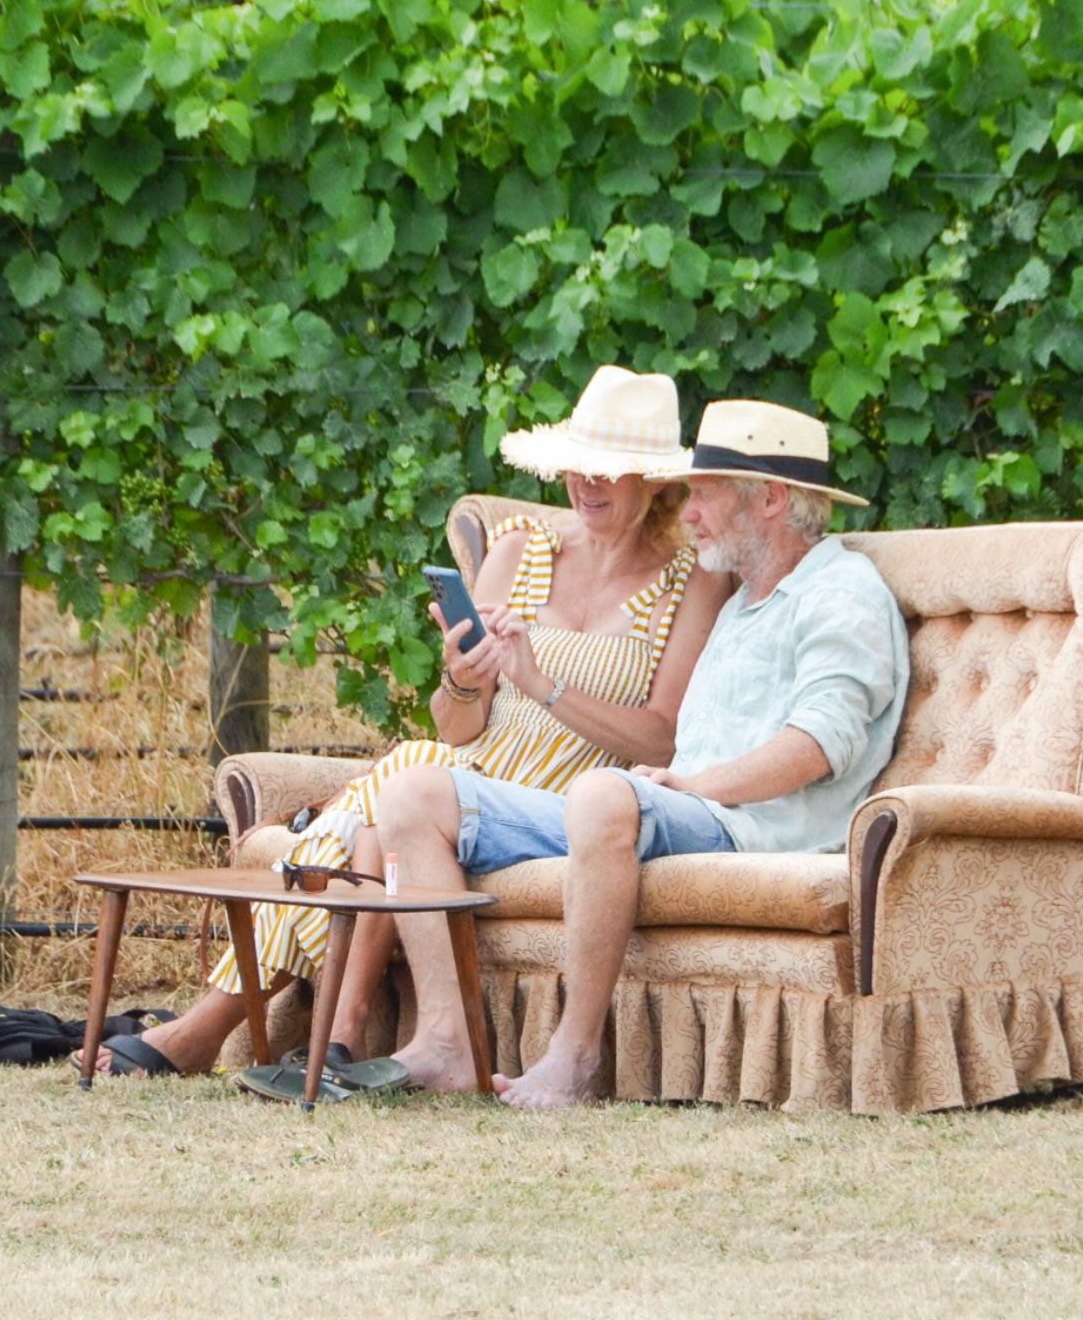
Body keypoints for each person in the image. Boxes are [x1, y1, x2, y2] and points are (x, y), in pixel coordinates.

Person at [83, 365, 730, 1087]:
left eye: (609, 469)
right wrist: (465, 674)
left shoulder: (690, 581)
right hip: (468, 766)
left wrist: (539, 684)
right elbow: (455, 726)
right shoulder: (521, 549)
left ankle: (217, 1027)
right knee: (392, 792)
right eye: (575, 464)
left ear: (655, 480)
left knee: (349, 830)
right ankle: (341, 1030)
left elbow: (660, 738)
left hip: (565, 796)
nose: (587, 482)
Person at [370, 395, 910, 1107]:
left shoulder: (840, 594)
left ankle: (575, 1057)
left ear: (772, 499)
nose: (685, 515)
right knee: (415, 793)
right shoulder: (746, 599)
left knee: (601, 792)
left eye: (704, 497)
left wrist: (693, 785)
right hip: (679, 804)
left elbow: (816, 745)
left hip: (747, 825)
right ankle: (446, 1041)